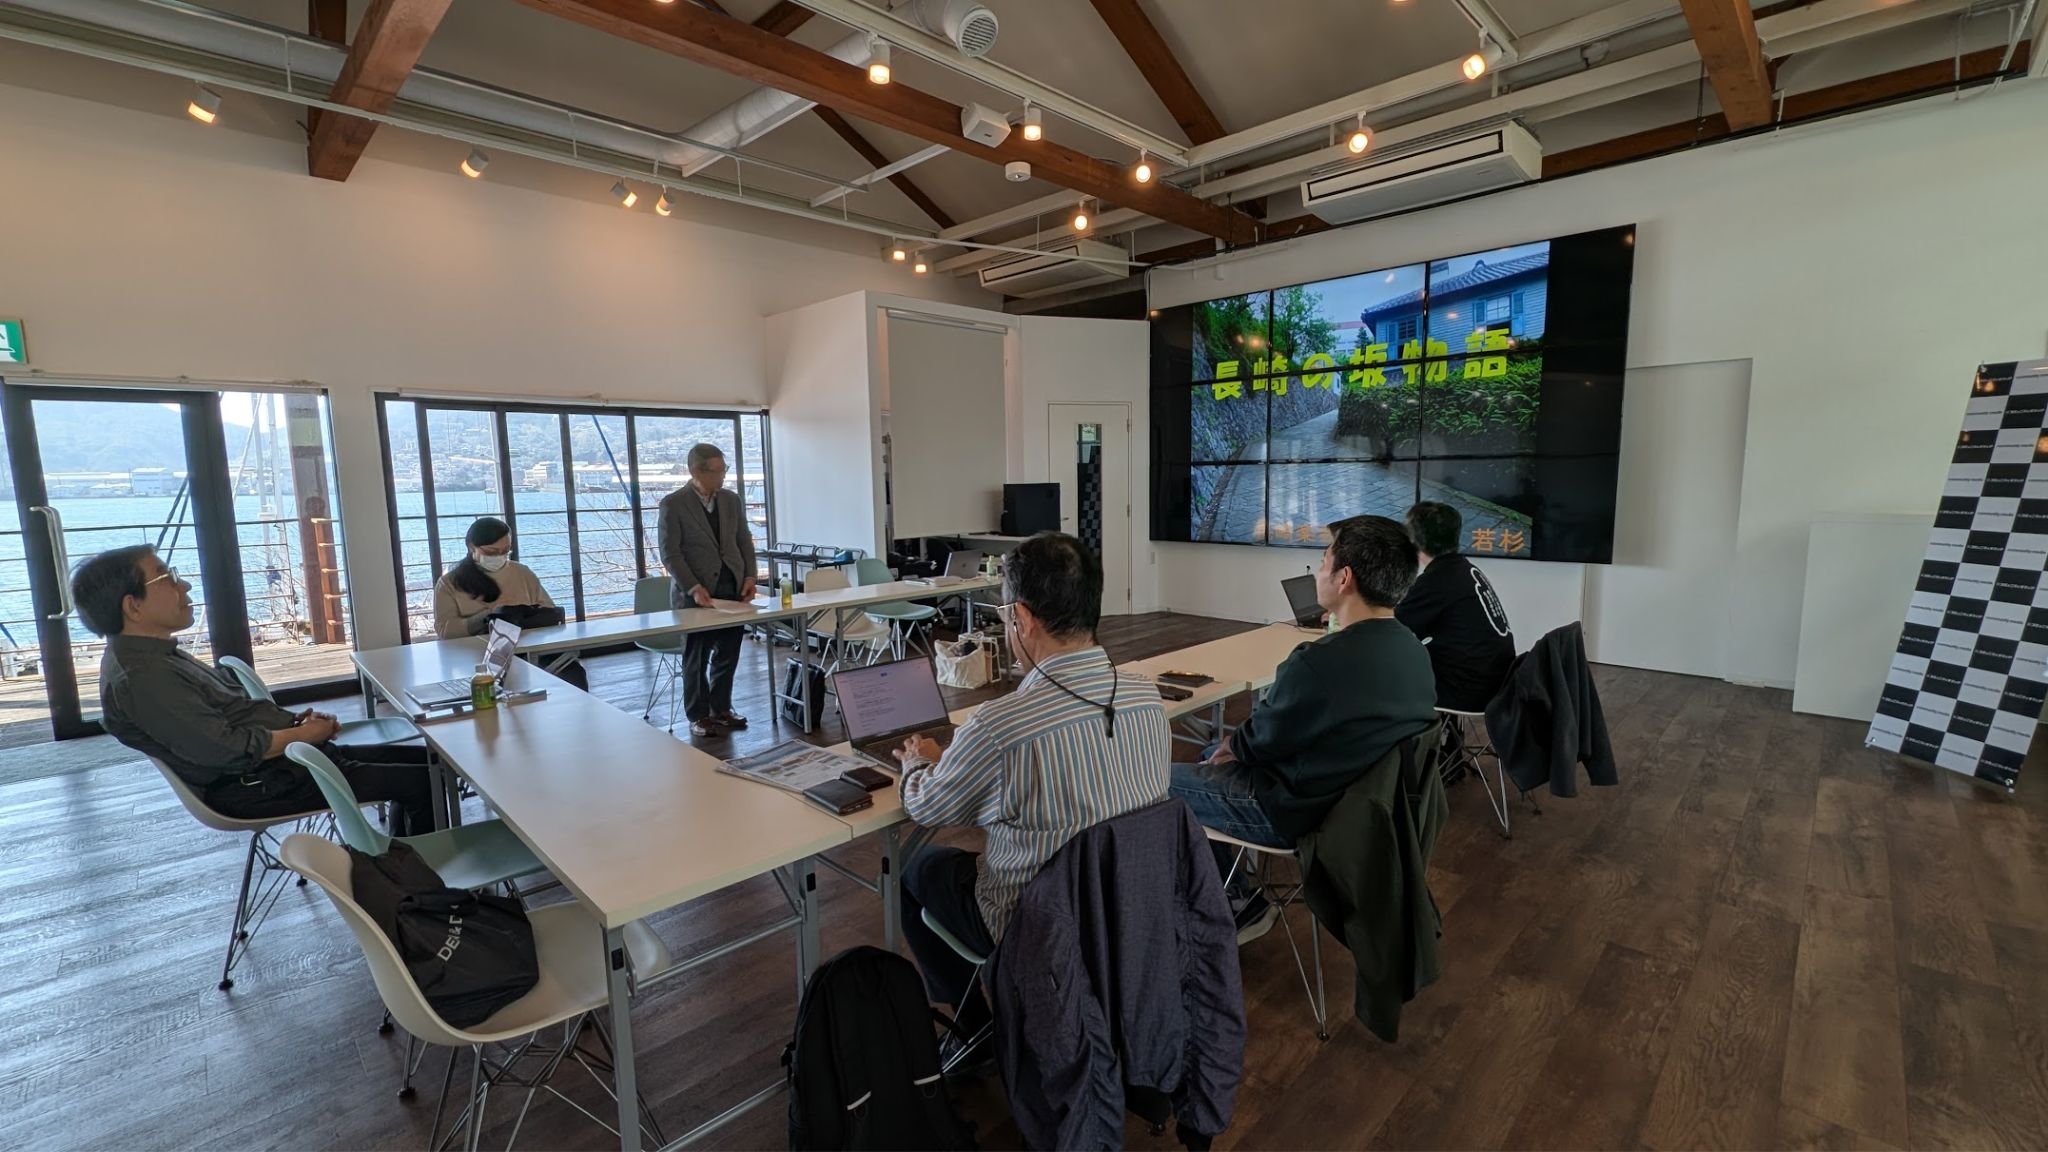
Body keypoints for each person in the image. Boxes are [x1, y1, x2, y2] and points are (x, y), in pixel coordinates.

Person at [895, 532, 1171, 1069]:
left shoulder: (999, 727)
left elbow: (928, 808)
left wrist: (917, 762)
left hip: (1035, 924)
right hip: (1127, 910)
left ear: (1021, 618)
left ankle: (973, 1028)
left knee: (914, 867)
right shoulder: (1146, 698)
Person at [1168, 515, 1438, 941]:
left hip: (1293, 812)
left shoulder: (1318, 661)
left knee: (1154, 781)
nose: (1320, 571)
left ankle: (1236, 900)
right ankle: (1235, 891)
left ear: (1345, 578)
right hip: (1351, 809)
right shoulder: (1412, 649)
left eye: (1325, 560)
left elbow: (1263, 738)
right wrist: (1238, 746)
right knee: (1209, 756)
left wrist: (1236, 745)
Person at [77, 545, 435, 836]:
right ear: (133, 605)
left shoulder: (157, 657)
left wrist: (297, 726)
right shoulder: (144, 679)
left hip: (280, 764)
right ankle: (422, 887)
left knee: (436, 762)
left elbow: (233, 717)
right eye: (167, 578)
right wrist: (305, 735)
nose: (183, 585)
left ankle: (405, 861)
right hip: (258, 783)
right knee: (427, 780)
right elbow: (226, 750)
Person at [658, 443, 757, 738]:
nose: (722, 477)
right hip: (695, 593)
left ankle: (721, 708)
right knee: (696, 656)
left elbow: (744, 540)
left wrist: (751, 575)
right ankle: (698, 714)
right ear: (695, 471)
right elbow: (670, 553)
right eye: (716, 471)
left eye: (724, 469)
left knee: (729, 652)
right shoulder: (673, 504)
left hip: (732, 587)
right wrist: (692, 586)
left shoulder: (731, 500)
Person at [1396, 502, 1516, 713]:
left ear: (1413, 540)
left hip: (1468, 691)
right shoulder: (1464, 569)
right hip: (1496, 682)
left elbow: (1393, 626)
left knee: (1388, 674)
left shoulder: (1437, 580)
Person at [433, 517, 557, 640]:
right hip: (473, 652)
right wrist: (488, 616)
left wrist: (523, 613)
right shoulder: (449, 583)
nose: (499, 556)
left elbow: (550, 611)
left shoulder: (522, 573)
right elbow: (445, 631)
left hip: (525, 645)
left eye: (505, 551)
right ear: (472, 547)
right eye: (491, 552)